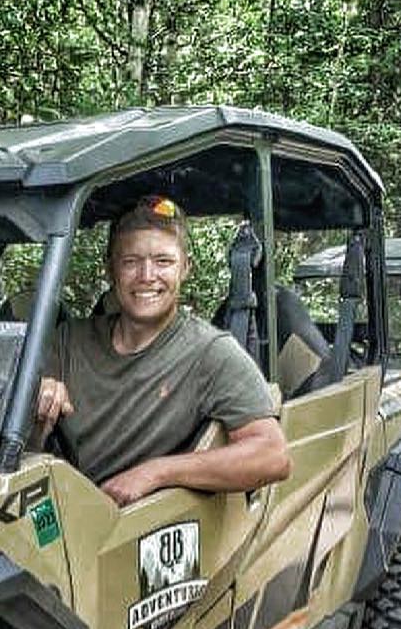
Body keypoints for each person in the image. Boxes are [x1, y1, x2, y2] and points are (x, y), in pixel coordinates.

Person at [35, 196, 290, 505]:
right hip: (61, 511)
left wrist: (156, 473)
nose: (146, 276)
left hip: (143, 526)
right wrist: (40, 395)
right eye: (130, 261)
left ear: (184, 268)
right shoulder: (68, 341)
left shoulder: (209, 352)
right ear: (110, 271)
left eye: (163, 261)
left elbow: (272, 455)